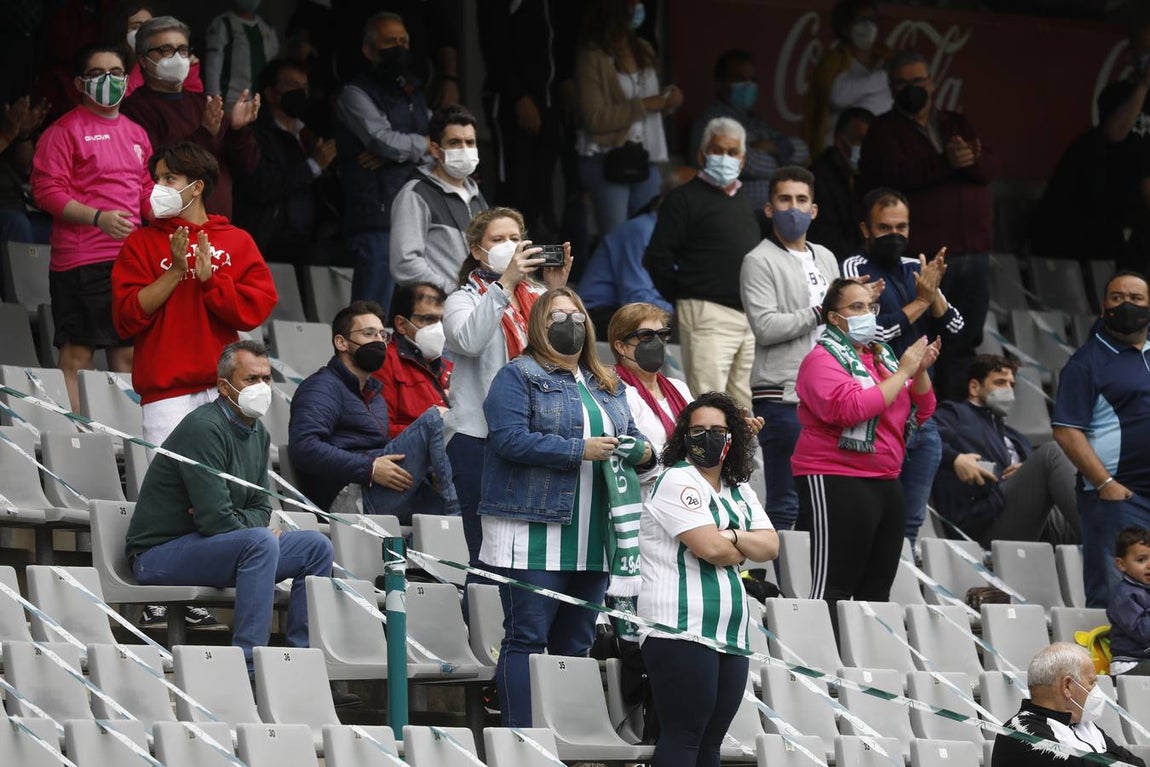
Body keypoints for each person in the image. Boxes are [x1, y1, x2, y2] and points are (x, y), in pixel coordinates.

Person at [480, 286, 654, 726]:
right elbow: (507, 439)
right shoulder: (517, 375)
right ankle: (521, 742)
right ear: (539, 323)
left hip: (596, 533)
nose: (570, 324)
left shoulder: (607, 381)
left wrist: (642, 451)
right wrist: (578, 449)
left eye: (577, 316)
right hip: (534, 529)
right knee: (526, 637)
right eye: (558, 316)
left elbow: (637, 435)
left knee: (576, 642)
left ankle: (568, 738)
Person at [124, 341, 338, 678]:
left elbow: (258, 506)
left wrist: (242, 521)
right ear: (224, 387)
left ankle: (302, 662)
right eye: (251, 379)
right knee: (260, 541)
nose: (262, 388)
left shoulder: (258, 433)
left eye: (267, 379)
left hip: (216, 546)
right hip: (159, 554)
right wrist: (244, 524)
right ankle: (248, 669)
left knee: (316, 547)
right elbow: (214, 518)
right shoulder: (203, 428)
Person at [638, 391, 778, 767]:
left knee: (710, 743)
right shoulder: (675, 480)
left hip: (730, 630)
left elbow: (771, 545)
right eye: (697, 430)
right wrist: (736, 543)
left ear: (732, 437)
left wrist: (731, 537)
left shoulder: (739, 488)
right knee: (684, 737)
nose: (707, 437)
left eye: (717, 430)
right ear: (683, 436)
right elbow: (709, 550)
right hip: (680, 627)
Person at [113, 141, 278, 446]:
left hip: (225, 390)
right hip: (165, 397)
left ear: (196, 187)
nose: (158, 187)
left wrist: (212, 282)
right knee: (169, 491)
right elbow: (126, 317)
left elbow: (256, 307)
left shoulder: (237, 241)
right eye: (157, 179)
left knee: (228, 489)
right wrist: (174, 272)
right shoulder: (141, 243)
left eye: (169, 179)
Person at [792, 278, 937, 619]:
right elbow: (850, 409)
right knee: (833, 587)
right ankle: (823, 663)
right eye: (856, 307)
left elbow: (923, 409)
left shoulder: (881, 357)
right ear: (833, 318)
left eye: (871, 307)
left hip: (886, 479)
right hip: (835, 477)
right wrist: (903, 372)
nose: (867, 314)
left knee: (876, 592)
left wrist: (919, 372)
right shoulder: (820, 360)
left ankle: (867, 668)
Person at [860, 50, 997, 401]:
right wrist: (946, 162)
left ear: (932, 82)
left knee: (964, 340)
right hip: (923, 259)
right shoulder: (883, 131)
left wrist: (967, 160)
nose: (911, 88)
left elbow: (986, 171)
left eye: (917, 80)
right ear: (891, 88)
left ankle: (958, 421)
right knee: (927, 340)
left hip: (974, 252)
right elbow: (891, 178)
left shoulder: (955, 122)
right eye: (902, 83)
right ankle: (927, 418)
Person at [443, 206, 571, 565]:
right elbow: (469, 341)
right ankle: (482, 620)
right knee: (486, 554)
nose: (510, 246)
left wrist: (556, 290)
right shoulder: (462, 299)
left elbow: (565, 352)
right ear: (476, 250)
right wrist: (506, 285)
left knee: (529, 552)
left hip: (535, 435)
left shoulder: (537, 295)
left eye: (516, 238)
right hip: (478, 438)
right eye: (498, 240)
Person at [31, 43, 152, 411]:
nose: (108, 81)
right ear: (80, 84)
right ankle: (75, 440)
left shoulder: (137, 133)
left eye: (116, 73)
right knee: (78, 357)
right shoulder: (64, 131)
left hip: (129, 262)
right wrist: (97, 217)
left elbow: (144, 190)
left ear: (128, 81)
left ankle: (124, 442)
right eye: (98, 74)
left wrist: (174, 210)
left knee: (128, 357)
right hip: (81, 262)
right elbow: (46, 191)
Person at [842, 186, 961, 543]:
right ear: (865, 229)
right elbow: (874, 331)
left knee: (910, 525)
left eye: (902, 228)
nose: (895, 236)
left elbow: (956, 328)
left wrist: (932, 297)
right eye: (885, 228)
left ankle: (900, 593)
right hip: (879, 413)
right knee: (873, 519)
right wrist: (923, 303)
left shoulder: (916, 268)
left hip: (922, 415)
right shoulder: (854, 268)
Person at [288, 301, 459, 523]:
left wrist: (429, 472)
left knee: (466, 514)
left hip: (382, 489)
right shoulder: (322, 387)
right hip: (349, 500)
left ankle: (461, 523)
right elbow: (304, 448)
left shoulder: (374, 392)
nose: (378, 341)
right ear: (341, 342)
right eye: (369, 334)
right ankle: (458, 517)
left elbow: (382, 448)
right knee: (437, 417)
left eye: (382, 335)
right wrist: (369, 468)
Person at [740, 165, 840, 531]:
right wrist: (822, 310)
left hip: (830, 397)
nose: (793, 208)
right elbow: (765, 327)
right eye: (784, 199)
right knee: (786, 501)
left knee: (823, 503)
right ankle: (782, 586)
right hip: (783, 396)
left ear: (814, 210)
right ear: (769, 208)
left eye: (801, 200)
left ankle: (814, 586)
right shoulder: (758, 260)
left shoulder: (827, 257)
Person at [645, 118, 761, 408]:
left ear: (743, 159)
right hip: (705, 314)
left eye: (732, 152)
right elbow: (657, 257)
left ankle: (739, 457)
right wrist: (686, 295)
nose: (725, 158)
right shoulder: (683, 198)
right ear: (702, 155)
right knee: (710, 406)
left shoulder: (744, 200)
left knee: (744, 409)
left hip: (748, 317)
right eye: (717, 150)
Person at [1054, 271, 1150, 608]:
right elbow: (1066, 430)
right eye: (1117, 298)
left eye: (1136, 299)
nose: (1126, 305)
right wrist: (1105, 483)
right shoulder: (1086, 363)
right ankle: (1112, 663)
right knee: (1115, 597)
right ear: (1103, 306)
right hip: (1118, 499)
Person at [335, 11, 430, 313]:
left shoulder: (412, 93)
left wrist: (399, 154)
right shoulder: (354, 92)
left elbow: (432, 148)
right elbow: (381, 140)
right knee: (371, 314)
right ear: (369, 50)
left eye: (404, 41)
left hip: (414, 215)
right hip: (376, 218)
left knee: (416, 313)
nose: (400, 47)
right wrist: (420, 146)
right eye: (391, 41)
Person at [121, 16, 261, 220]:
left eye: (183, 50)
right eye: (166, 50)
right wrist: (204, 133)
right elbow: (158, 169)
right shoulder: (135, 109)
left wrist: (238, 130)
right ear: (143, 59)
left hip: (218, 226)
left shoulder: (204, 103)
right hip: (173, 228)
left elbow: (248, 166)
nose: (177, 58)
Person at [933, 355, 1080, 547]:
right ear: (974, 387)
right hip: (984, 524)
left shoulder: (1016, 437)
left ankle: (1117, 545)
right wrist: (955, 459)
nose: (1008, 390)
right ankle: (1108, 543)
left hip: (1036, 523)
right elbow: (919, 437)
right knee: (1051, 454)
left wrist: (1027, 475)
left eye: (1011, 384)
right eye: (1000, 382)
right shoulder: (954, 415)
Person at [574, 0, 682, 238]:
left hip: (645, 156)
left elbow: (651, 106)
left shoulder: (643, 48)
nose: (639, 7)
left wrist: (668, 102)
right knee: (616, 238)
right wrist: (644, 105)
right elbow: (594, 118)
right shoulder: (593, 56)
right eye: (633, 3)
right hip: (608, 157)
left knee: (650, 235)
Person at [477, 0, 581, 240]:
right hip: (512, 106)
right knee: (514, 191)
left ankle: (546, 270)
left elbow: (560, 39)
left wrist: (565, 78)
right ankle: (503, 268)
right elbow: (493, 44)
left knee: (544, 190)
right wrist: (518, 96)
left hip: (550, 103)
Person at [233, 58, 337, 271]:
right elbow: (262, 185)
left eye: (304, 88)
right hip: (271, 239)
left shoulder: (307, 135)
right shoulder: (256, 134)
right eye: (292, 86)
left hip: (310, 235)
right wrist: (314, 166)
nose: (301, 93)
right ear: (271, 93)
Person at [689, 49, 810, 212]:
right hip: (735, 213)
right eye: (739, 79)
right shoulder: (713, 124)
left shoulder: (756, 121)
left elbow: (803, 149)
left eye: (752, 80)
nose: (748, 86)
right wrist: (784, 160)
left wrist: (773, 147)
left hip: (773, 215)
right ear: (720, 83)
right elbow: (747, 163)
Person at [991, 643, 1146, 766]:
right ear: (1067, 686)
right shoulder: (1020, 731)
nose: (1096, 690)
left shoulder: (1086, 726)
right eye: (1091, 682)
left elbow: (1136, 763)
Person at [390, 104, 488, 295]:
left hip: (476, 310)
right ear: (435, 149)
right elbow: (405, 264)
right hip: (437, 313)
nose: (464, 149)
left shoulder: (477, 196)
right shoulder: (415, 194)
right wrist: (455, 292)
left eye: (470, 142)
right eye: (454, 143)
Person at [608, 302, 691, 469]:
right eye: (646, 336)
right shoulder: (615, 392)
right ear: (621, 347)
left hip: (689, 485)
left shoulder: (678, 387)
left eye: (662, 335)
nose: (657, 343)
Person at [804, 0, 892, 157]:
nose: (868, 26)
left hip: (883, 151)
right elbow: (838, 96)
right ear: (845, 28)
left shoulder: (885, 57)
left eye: (872, 20)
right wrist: (884, 77)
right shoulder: (833, 61)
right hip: (840, 152)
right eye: (861, 21)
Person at [1098, 18, 1150, 273]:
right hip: (1119, 224)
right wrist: (1143, 85)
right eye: (1146, 51)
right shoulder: (1116, 94)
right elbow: (1115, 134)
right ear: (1132, 55)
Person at [374, 282, 451, 439]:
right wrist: (434, 426)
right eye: (428, 319)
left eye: (442, 320)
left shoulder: (450, 367)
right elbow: (380, 430)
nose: (438, 328)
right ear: (401, 324)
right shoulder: (384, 363)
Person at [808, 107, 872, 262]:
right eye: (859, 140)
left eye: (870, 142)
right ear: (840, 141)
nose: (865, 148)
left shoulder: (871, 176)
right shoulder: (817, 179)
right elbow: (825, 237)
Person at [108, 1, 204, 97]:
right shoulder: (109, 65)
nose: (144, 32)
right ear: (121, 30)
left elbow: (193, 100)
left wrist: (190, 72)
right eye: (136, 27)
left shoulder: (168, 63)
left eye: (149, 26)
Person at [203, 0, 279, 109]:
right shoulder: (223, 24)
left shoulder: (266, 26)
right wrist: (214, 97)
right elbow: (213, 65)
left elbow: (273, 58)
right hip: (232, 100)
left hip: (262, 100)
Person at [1109, 527, 1150, 676]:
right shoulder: (1124, 596)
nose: (1149, 565)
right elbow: (1143, 633)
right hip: (1129, 665)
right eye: (1141, 560)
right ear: (1121, 564)